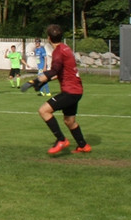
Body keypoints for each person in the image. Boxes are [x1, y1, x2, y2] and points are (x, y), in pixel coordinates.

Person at [22, 24, 91, 155]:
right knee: (69, 121)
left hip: (70, 92)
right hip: (76, 90)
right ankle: (83, 146)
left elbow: (54, 71)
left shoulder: (58, 52)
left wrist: (36, 81)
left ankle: (61, 140)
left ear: (48, 38)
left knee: (44, 111)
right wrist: (44, 81)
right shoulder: (66, 48)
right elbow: (61, 72)